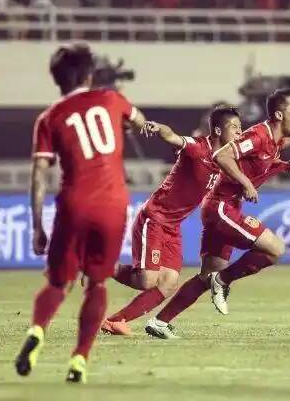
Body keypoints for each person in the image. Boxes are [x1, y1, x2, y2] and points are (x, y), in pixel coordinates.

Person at [144, 89, 290, 334]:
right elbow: (222, 155)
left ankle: (160, 322)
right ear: (278, 114)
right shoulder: (259, 135)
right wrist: (247, 183)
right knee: (275, 249)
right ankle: (222, 281)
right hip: (221, 206)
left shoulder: (274, 140)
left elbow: (278, 146)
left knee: (206, 275)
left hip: (222, 207)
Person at [15, 43, 147, 383]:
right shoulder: (112, 100)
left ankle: (37, 330)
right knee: (97, 283)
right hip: (113, 203)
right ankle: (79, 360)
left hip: (75, 202)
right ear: (89, 74)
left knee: (59, 282)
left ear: (56, 79)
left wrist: (37, 226)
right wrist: (125, 122)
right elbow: (140, 122)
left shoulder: (50, 118)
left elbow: (39, 175)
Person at [100, 106, 243, 336]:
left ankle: (116, 321)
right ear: (218, 130)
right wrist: (158, 128)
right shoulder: (198, 148)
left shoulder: (227, 159)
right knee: (147, 281)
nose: (239, 132)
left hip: (172, 226)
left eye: (240, 127)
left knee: (168, 281)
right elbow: (173, 136)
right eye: (234, 127)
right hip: (154, 218)